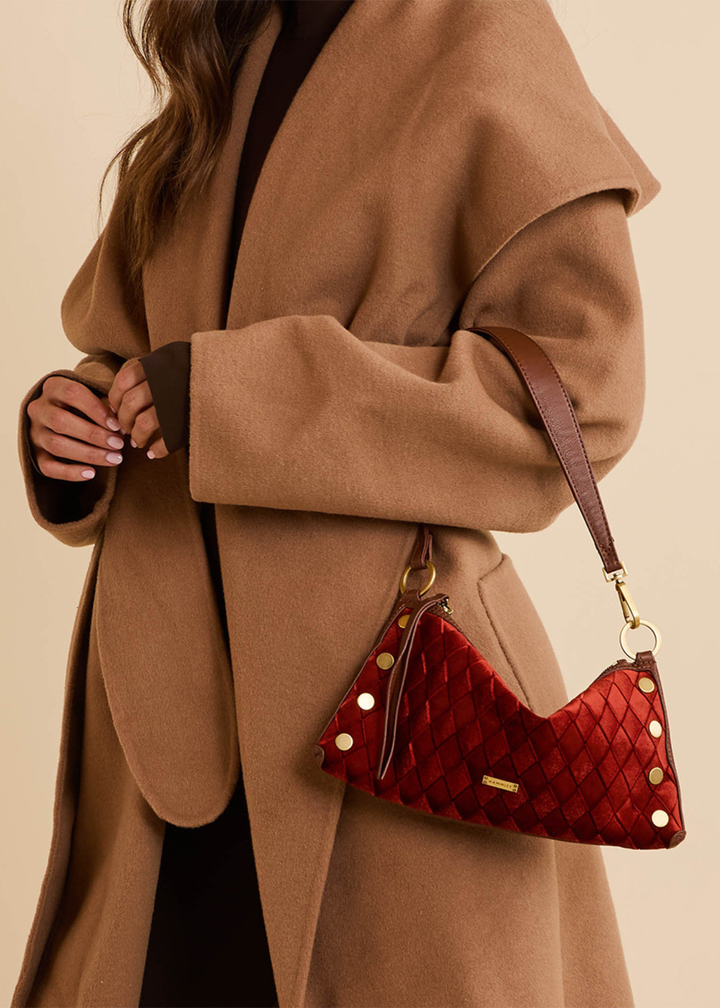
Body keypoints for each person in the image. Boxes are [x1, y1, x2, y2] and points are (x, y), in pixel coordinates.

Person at [14, 1, 661, 1006]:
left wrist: (236, 399)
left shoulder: (482, 34)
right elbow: (134, 351)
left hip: (397, 731)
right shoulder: (227, 40)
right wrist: (80, 431)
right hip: (164, 728)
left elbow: (580, 396)